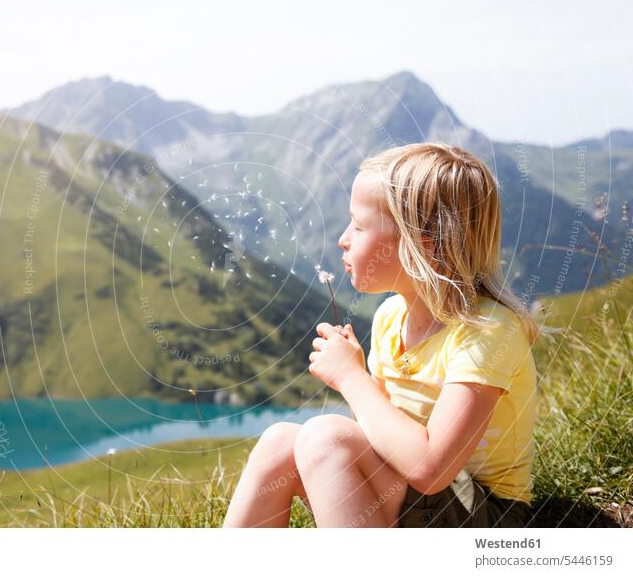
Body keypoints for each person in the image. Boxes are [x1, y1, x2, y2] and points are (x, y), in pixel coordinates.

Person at [223, 143, 545, 528]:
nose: (343, 239)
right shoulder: (391, 317)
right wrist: (362, 379)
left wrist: (351, 378)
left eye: (359, 227)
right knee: (279, 442)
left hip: (483, 514)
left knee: (326, 436)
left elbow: (430, 468)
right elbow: (382, 436)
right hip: (414, 495)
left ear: (425, 243)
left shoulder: (487, 332)